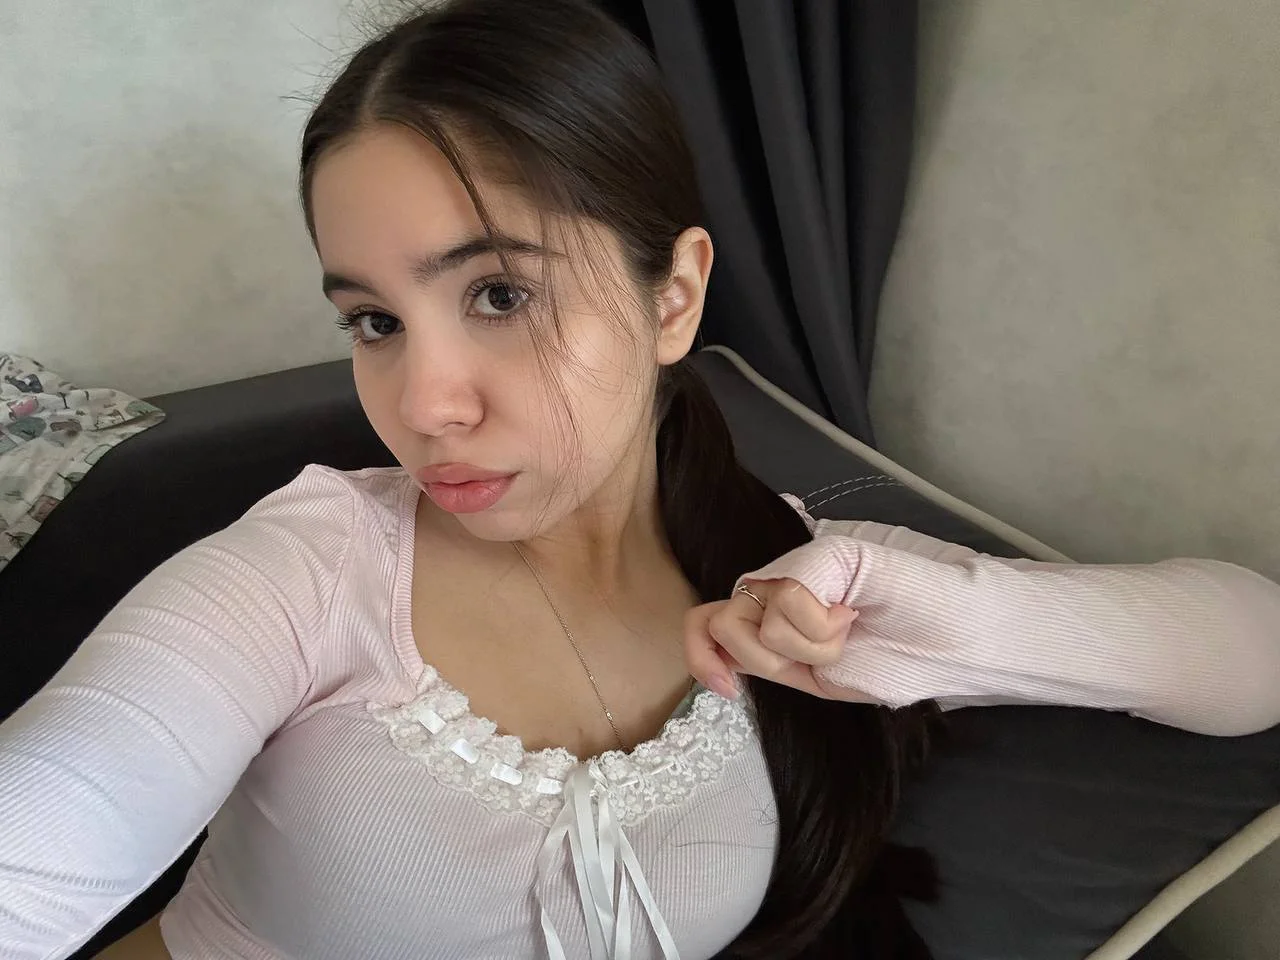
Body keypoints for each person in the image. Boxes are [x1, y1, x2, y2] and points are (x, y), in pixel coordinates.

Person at [2, 1, 1278, 958]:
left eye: (498, 295)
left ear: (673, 297)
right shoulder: (300, 578)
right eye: (373, 321)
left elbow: (1252, 657)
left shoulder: (785, 576)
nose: (422, 405)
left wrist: (965, 625)